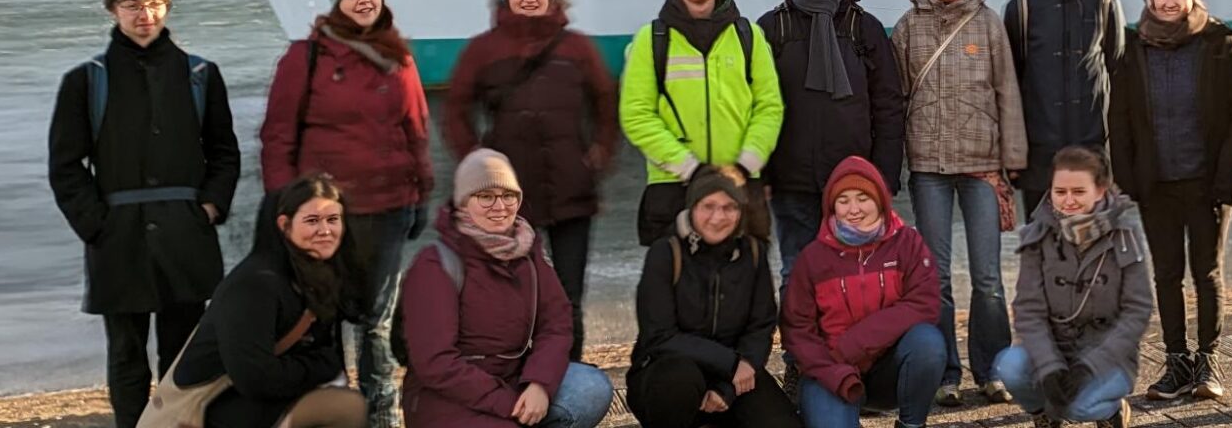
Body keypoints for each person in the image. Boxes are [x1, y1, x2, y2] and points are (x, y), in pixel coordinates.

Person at [47, 0, 240, 428]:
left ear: (167, 6)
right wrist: (96, 224)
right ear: (113, 10)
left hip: (185, 234)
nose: (145, 15)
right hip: (119, 239)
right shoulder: (84, 81)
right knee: (127, 358)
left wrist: (210, 207)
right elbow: (65, 166)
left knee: (185, 357)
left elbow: (224, 151)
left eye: (153, 3)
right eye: (132, 4)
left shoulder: (200, 75)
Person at [260, 0, 433, 427]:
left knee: (376, 320)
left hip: (391, 207)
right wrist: (285, 203)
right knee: (325, 313)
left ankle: (383, 412)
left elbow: (416, 128)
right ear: (336, 0)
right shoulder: (306, 57)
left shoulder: (399, 56)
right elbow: (278, 136)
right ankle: (333, 408)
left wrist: (423, 190)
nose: (363, 0)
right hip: (326, 214)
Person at [443, 0, 619, 360]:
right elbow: (456, 109)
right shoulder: (483, 50)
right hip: (508, 198)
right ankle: (515, 371)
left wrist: (599, 153)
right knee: (513, 294)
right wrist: (475, 165)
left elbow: (605, 102)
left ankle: (567, 371)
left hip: (572, 191)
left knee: (569, 296)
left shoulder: (577, 48)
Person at [1108, 0, 1232, 401]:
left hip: (1210, 184)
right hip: (1158, 185)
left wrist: (1229, 182)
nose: (1169, 2)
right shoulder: (1134, 50)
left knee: (1207, 272)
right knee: (1167, 273)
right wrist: (1129, 179)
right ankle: (1176, 361)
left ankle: (1208, 360)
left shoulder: (1221, 43)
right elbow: (1119, 121)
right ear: (1149, 1)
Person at [889, 0, 1024, 405]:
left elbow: (1007, 93)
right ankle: (946, 373)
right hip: (928, 167)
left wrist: (1014, 162)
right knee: (936, 276)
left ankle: (992, 370)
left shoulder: (988, 24)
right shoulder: (907, 27)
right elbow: (896, 98)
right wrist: (892, 162)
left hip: (982, 167)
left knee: (988, 276)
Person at [398, 150, 614, 428]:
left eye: (508, 195)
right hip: (448, 399)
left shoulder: (527, 250)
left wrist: (539, 384)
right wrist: (507, 402)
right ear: (463, 202)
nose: (500, 206)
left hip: (515, 379)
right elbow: (436, 363)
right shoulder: (435, 263)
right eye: (486, 197)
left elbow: (556, 323)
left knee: (591, 388)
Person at [159, 174, 367, 428]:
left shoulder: (315, 275)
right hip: (212, 405)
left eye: (333, 220)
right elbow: (255, 377)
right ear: (284, 224)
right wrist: (322, 365)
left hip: (263, 397)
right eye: (312, 220)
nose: (325, 231)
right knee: (346, 408)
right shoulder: (255, 285)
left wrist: (321, 366)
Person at [757, 0, 905, 281]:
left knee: (855, 270)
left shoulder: (864, 28)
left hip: (852, 177)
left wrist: (884, 174)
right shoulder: (772, 27)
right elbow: (756, 105)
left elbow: (887, 104)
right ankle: (800, 337)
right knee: (797, 269)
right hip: (791, 178)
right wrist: (761, 174)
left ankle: (850, 338)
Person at [620, 0, 785, 245]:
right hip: (672, 186)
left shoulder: (749, 36)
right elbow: (636, 114)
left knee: (746, 283)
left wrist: (743, 165)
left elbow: (769, 107)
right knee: (675, 283)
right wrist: (688, 167)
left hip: (742, 185)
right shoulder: (651, 39)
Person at [626, 167, 800, 428]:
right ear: (692, 208)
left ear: (740, 210)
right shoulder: (666, 252)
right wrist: (731, 363)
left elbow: (761, 326)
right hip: (667, 376)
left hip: (733, 374)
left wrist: (728, 387)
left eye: (729, 207)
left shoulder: (752, 253)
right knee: (679, 379)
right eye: (708, 206)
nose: (718, 217)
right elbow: (659, 335)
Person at [781, 156, 944, 428]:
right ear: (831, 205)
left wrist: (853, 344)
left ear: (880, 199)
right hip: (832, 372)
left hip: (888, 368)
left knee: (928, 343)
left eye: (863, 198)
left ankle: (912, 425)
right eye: (843, 200)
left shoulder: (907, 242)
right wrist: (831, 368)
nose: (853, 209)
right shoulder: (812, 258)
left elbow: (924, 303)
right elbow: (797, 329)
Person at [994, 148, 1152, 428]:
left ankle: (1112, 411)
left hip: (1108, 353)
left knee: (1082, 408)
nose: (1068, 201)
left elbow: (1137, 312)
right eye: (1060, 191)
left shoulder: (1125, 235)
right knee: (1009, 366)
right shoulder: (1036, 236)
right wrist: (1048, 365)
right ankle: (1044, 415)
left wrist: (1090, 366)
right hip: (1056, 346)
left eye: (1079, 191)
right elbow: (1028, 309)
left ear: (1100, 190)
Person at [1004, 0, 1126, 216]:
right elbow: (1013, 83)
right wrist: (1014, 157)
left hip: (1093, 150)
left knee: (1098, 249)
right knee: (1042, 248)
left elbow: (1117, 70)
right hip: (1040, 157)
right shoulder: (1021, 6)